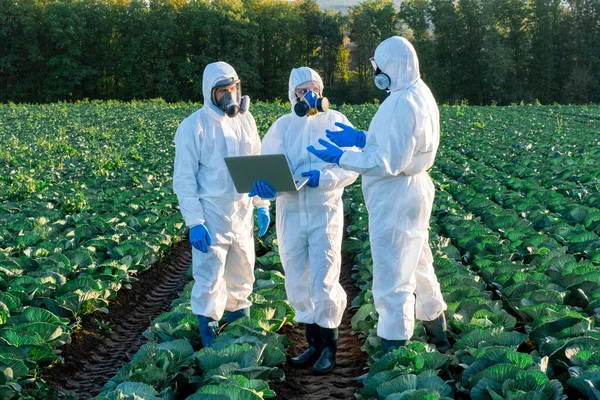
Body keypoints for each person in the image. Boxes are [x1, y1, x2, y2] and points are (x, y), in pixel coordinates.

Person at [307, 37, 450, 354]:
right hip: (414, 189)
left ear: (392, 67)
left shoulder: (401, 102)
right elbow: (397, 142)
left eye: (379, 68)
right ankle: (440, 339)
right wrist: (362, 137)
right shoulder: (418, 92)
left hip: (396, 196)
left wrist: (342, 157)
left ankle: (393, 357)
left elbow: (385, 161)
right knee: (419, 265)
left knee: (392, 278)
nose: (377, 74)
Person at [249, 67, 359, 373]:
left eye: (314, 89)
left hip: (325, 210)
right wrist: (263, 191)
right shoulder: (283, 126)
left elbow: (353, 165)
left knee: (324, 277)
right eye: (302, 91)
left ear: (322, 91)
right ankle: (312, 344)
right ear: (292, 95)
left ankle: (329, 347)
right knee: (296, 277)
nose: (309, 96)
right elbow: (266, 165)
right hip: (291, 211)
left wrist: (323, 177)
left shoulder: (336, 120)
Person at [173, 61, 270, 348]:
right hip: (211, 215)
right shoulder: (193, 126)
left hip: (241, 212)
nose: (230, 96)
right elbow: (184, 178)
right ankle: (210, 343)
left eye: (233, 89)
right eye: (222, 91)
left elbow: (255, 163)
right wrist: (194, 222)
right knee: (210, 279)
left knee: (243, 275)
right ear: (210, 93)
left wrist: (261, 203)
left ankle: (240, 339)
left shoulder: (246, 120)